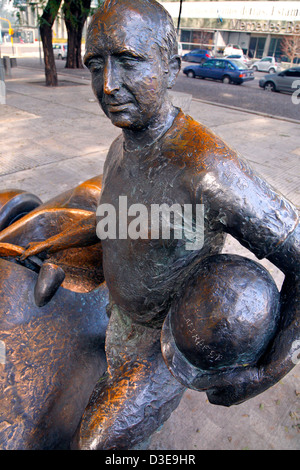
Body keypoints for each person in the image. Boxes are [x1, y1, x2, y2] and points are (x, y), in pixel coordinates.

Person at [16, 0, 299, 450]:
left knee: (92, 445)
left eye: (128, 61)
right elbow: (115, 222)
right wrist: (54, 243)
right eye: (95, 64)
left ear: (171, 66)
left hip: (164, 342)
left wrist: (269, 369)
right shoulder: (118, 148)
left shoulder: (210, 171)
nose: (107, 85)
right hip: (120, 316)